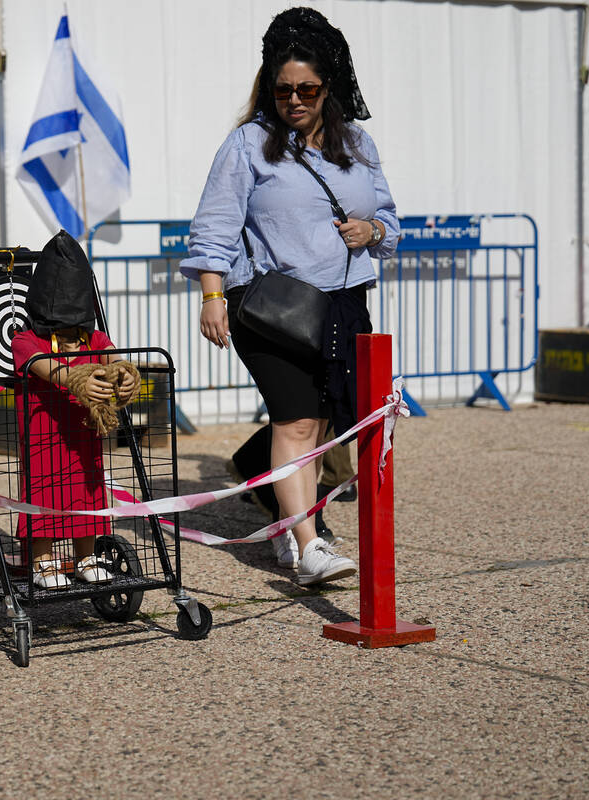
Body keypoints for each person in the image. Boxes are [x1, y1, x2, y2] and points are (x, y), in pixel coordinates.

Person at [180, 7, 400, 586]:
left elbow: (391, 218)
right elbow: (215, 224)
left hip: (345, 303)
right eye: (283, 91)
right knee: (297, 423)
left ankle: (283, 522)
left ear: (330, 86)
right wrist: (211, 294)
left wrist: (371, 230)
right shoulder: (248, 144)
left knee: (326, 423)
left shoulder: (357, 141)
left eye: (307, 89)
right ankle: (309, 544)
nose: (295, 100)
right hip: (273, 307)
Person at [12, 230, 139, 590]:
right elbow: (44, 366)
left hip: (84, 434)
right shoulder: (26, 341)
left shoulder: (94, 339)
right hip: (42, 438)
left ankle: (85, 556)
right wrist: (74, 379)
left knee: (89, 492)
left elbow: (113, 357)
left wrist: (125, 376)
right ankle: (42, 562)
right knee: (43, 493)